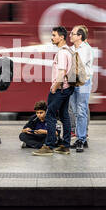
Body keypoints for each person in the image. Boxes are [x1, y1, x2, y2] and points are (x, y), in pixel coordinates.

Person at [33, 26, 74, 156]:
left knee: (50, 115)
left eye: (54, 35)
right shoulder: (69, 51)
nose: (52, 37)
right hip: (68, 88)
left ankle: (49, 146)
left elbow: (61, 73)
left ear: (61, 37)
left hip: (60, 89)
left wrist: (54, 88)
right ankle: (65, 145)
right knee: (64, 115)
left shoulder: (62, 53)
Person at [69, 25, 94, 153]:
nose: (70, 36)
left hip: (84, 82)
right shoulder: (71, 48)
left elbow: (79, 64)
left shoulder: (86, 49)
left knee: (81, 110)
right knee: (75, 111)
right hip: (73, 82)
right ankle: (80, 138)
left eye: (72, 34)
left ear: (80, 36)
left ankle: (82, 139)